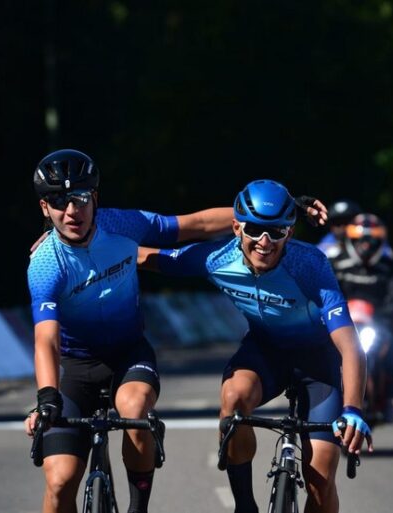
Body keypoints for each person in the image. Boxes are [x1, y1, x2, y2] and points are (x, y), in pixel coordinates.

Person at [24, 149, 247, 513]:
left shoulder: (122, 224)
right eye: (59, 202)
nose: (72, 211)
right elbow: (45, 338)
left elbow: (196, 224)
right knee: (60, 481)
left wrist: (263, 216)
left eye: (80, 198)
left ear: (95, 198)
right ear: (45, 208)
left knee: (135, 408)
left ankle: (137, 508)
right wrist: (47, 396)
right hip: (76, 367)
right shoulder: (45, 264)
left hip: (129, 354)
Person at [133, 180, 371, 513]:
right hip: (265, 352)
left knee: (320, 479)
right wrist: (84, 243)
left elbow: (350, 346)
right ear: (236, 228)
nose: (264, 242)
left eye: (276, 232)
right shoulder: (216, 258)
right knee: (233, 400)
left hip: (317, 365)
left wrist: (353, 410)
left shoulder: (309, 264)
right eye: (255, 230)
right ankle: (245, 506)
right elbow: (144, 257)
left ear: (289, 233)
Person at [327, 213, 393, 422]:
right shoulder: (335, 262)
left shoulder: (391, 266)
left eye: (371, 240)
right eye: (360, 240)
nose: (366, 245)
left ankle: (390, 387)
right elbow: (320, 288)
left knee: (392, 346)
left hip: (378, 322)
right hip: (343, 322)